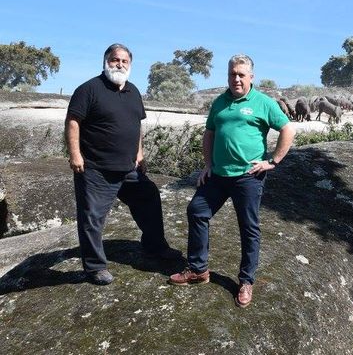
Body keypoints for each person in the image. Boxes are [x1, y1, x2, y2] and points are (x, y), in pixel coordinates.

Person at [169, 54, 295, 308]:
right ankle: (198, 269)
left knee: (248, 227)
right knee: (197, 210)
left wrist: (273, 161)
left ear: (251, 77)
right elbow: (209, 133)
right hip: (218, 175)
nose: (236, 79)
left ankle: (246, 281)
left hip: (248, 176)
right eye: (232, 74)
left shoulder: (263, 102)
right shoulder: (219, 102)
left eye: (241, 74)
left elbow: (288, 129)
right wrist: (207, 165)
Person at [66, 43, 180, 286]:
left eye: (124, 61)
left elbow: (136, 125)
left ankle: (154, 246)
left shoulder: (133, 91)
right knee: (92, 217)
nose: (119, 64)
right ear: (105, 61)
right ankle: (95, 268)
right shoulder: (89, 89)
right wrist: (75, 154)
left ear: (130, 64)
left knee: (149, 196)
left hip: (128, 168)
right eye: (114, 60)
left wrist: (140, 154)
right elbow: (73, 121)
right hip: (96, 169)